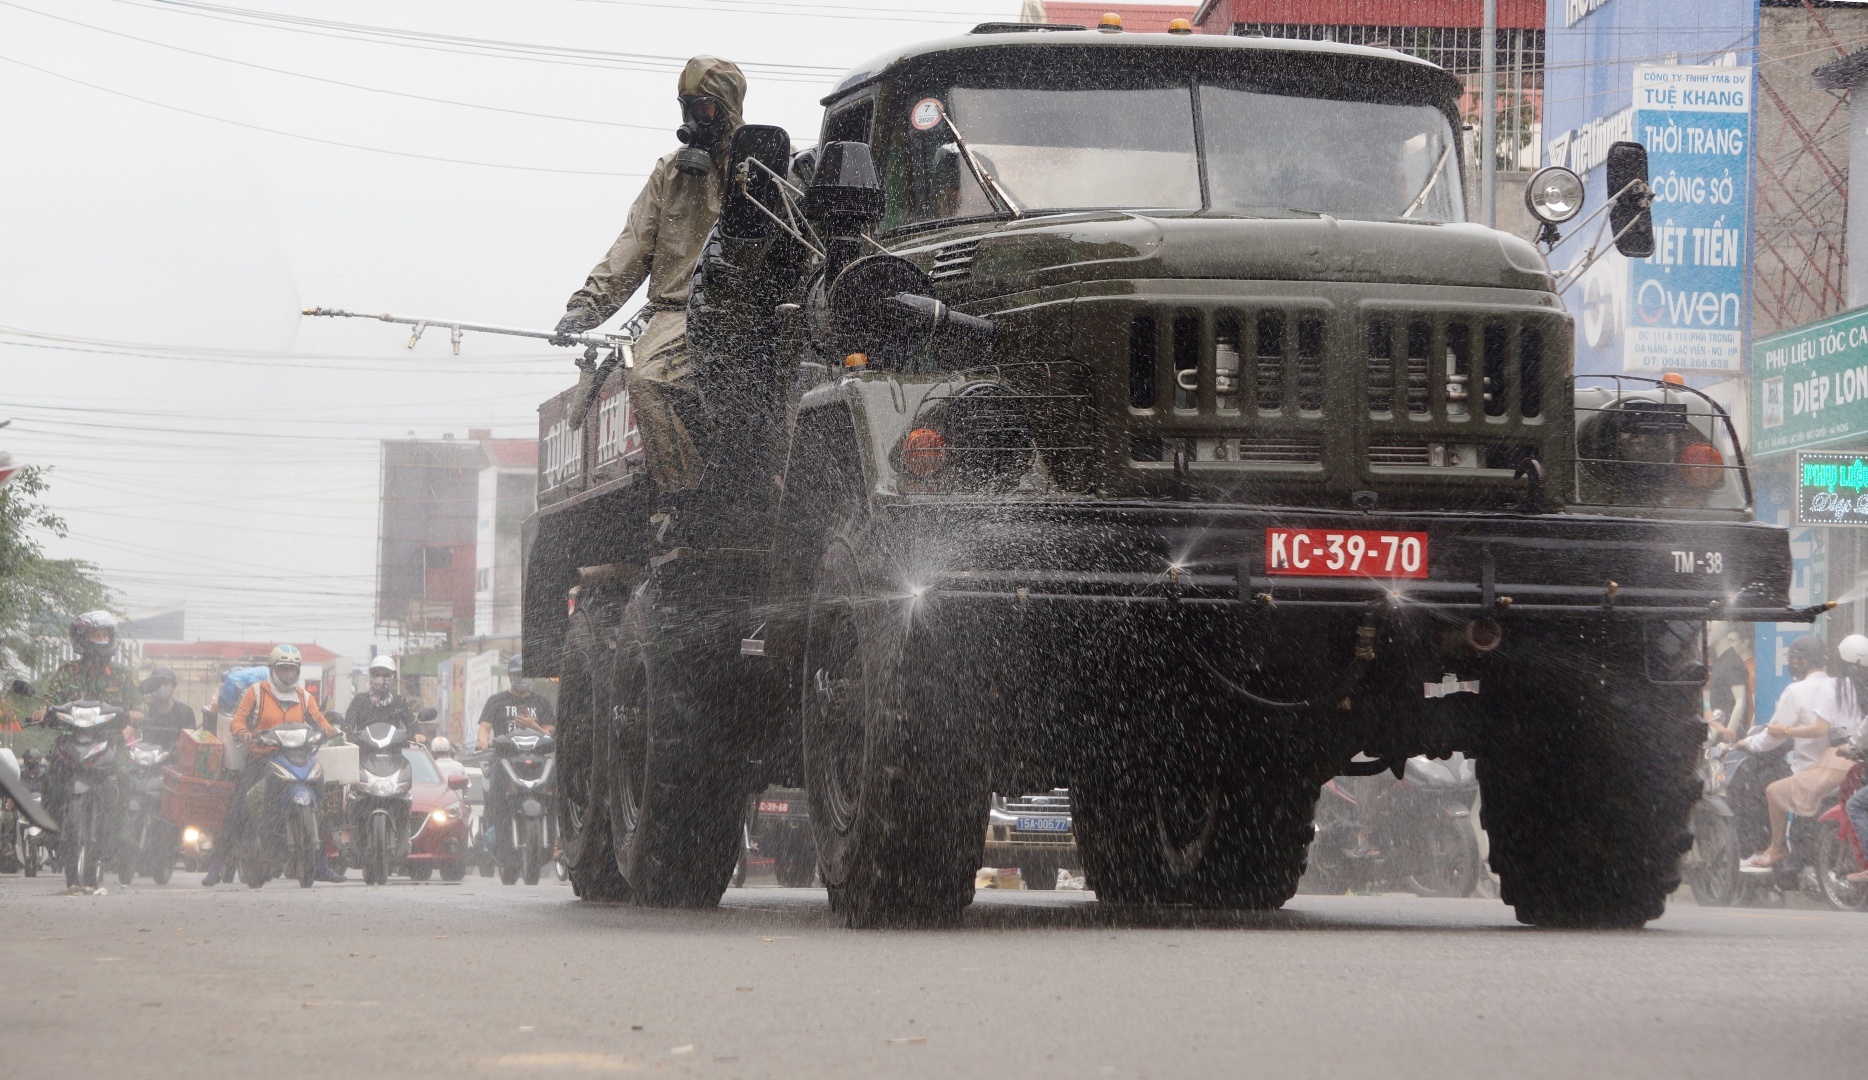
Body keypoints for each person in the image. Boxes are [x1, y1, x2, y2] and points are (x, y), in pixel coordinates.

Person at [551, 56, 747, 507]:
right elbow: (633, 246)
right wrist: (586, 306)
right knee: (647, 377)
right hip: (678, 312)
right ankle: (687, 497)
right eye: (686, 107)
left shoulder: (768, 168)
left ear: (728, 108)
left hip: (747, 310)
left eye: (705, 110)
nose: (692, 121)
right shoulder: (670, 173)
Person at [202, 645, 340, 886]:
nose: (288, 674)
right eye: (283, 669)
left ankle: (321, 865)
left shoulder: (304, 697)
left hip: (299, 757)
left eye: (292, 669)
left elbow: (319, 720)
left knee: (325, 799)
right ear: (272, 669)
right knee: (239, 807)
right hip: (262, 760)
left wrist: (330, 730)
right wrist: (243, 733)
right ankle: (217, 864)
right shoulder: (256, 693)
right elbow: (237, 721)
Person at [1736, 635, 1855, 872]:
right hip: (1851, 768)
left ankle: (1776, 847)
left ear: (1801, 661)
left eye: (1794, 659)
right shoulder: (1844, 686)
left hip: (1816, 772)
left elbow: (1772, 738)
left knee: (1771, 790)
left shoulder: (1797, 690)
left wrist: (1747, 743)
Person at [33, 611, 142, 841]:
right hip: (71, 739)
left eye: (104, 634)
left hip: (109, 741)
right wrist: (42, 712)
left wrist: (131, 722)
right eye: (95, 634)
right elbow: (48, 701)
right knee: (51, 773)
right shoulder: (67, 671)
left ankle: (121, 830)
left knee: (124, 774)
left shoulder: (123, 675)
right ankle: (47, 826)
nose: (101, 639)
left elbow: (138, 710)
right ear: (82, 638)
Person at [476, 656, 555, 860]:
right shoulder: (496, 701)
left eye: (526, 674)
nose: (523, 678)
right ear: (510, 676)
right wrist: (483, 741)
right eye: (519, 674)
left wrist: (532, 726)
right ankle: (497, 825)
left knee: (555, 787)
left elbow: (551, 733)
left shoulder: (542, 702)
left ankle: (558, 836)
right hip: (504, 759)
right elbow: (484, 728)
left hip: (537, 759)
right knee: (495, 789)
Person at [344, 656, 415, 739]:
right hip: (365, 750)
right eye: (376, 674)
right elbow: (347, 727)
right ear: (371, 676)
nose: (380, 678)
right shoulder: (359, 701)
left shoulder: (399, 702)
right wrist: (344, 736)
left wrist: (417, 734)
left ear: (393, 677)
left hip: (392, 750)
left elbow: (412, 723)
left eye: (386, 674)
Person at [135, 667, 197, 752]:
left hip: (174, 762)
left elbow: (190, 744)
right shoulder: (144, 711)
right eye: (157, 684)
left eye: (166, 684)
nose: (161, 688)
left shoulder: (185, 712)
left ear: (173, 686)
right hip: (146, 759)